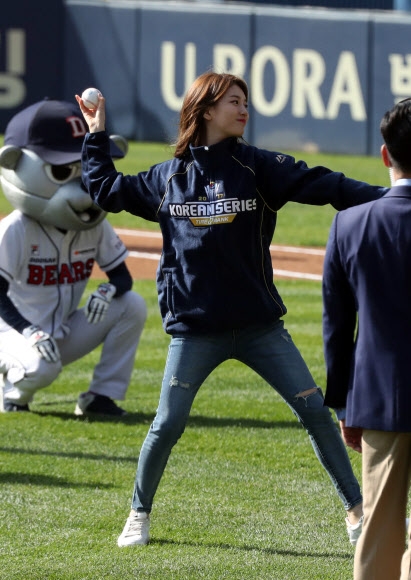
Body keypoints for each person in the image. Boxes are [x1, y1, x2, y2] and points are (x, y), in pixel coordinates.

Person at [76, 71, 387, 547]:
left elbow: (329, 185)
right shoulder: (168, 177)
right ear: (204, 111)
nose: (244, 109)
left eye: (245, 101)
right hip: (196, 332)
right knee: (167, 424)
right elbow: (106, 189)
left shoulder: (259, 167)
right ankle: (138, 513)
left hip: (260, 328)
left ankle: (357, 513)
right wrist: (96, 133)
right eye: (233, 101)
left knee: (316, 413)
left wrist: (392, 197)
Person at [0, 99, 147, 416]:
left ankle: (100, 397)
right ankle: (13, 395)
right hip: (10, 335)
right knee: (42, 365)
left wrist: (109, 290)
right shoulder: (15, 229)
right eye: (65, 170)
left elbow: (122, 277)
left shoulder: (94, 226)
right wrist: (29, 331)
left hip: (59, 333)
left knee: (131, 304)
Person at [322, 98, 411, 579]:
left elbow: (336, 328)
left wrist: (343, 406)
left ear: (384, 155)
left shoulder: (349, 223)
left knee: (378, 526)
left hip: (379, 399)